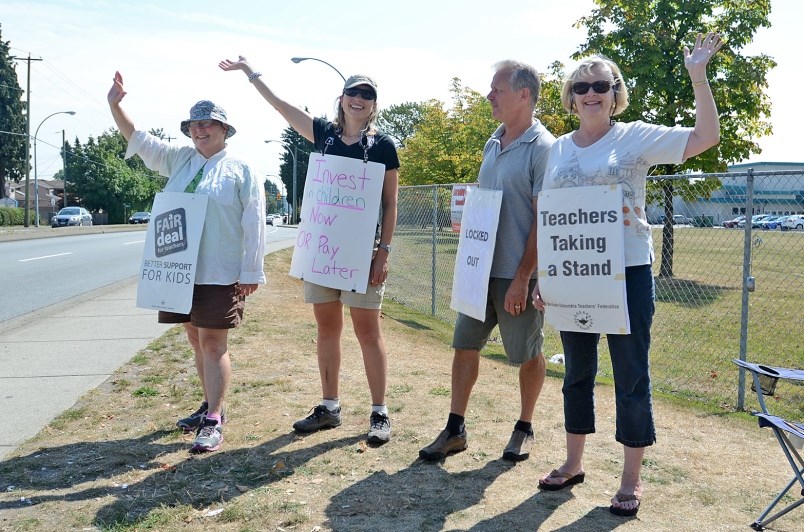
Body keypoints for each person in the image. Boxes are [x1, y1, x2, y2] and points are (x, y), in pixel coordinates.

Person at [533, 33, 723, 516]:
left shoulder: (633, 137)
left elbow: (706, 138)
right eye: (581, 86)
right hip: (574, 274)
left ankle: (630, 480)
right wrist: (543, 276)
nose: (591, 93)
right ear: (570, 98)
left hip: (626, 274)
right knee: (577, 373)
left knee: (631, 376)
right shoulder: (556, 150)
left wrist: (698, 77)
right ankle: (573, 464)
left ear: (616, 93)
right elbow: (548, 215)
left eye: (600, 84)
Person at [219, 56, 399, 444]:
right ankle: (329, 406)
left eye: (367, 94)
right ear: (342, 98)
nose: (359, 99)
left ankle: (379, 413)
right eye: (353, 92)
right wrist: (252, 72)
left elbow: (390, 203)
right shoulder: (324, 135)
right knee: (327, 329)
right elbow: (282, 106)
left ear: (373, 104)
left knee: (368, 331)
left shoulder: (382, 146)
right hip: (324, 253)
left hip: (363, 256)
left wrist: (383, 252)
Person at [107, 72, 266, 453]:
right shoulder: (179, 160)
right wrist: (116, 104)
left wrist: (251, 270)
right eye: (194, 124)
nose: (200, 129)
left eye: (208, 123)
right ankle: (210, 404)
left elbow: (254, 221)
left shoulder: (241, 169)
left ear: (225, 129)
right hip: (179, 271)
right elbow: (138, 140)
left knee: (213, 343)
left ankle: (214, 419)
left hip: (220, 270)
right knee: (195, 337)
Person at [419, 60, 555, 462]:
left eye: (497, 89)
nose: (489, 96)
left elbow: (543, 218)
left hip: (517, 275)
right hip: (480, 274)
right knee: (464, 345)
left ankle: (524, 427)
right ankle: (455, 429)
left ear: (524, 95)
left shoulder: (544, 148)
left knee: (527, 353)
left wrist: (523, 277)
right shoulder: (491, 143)